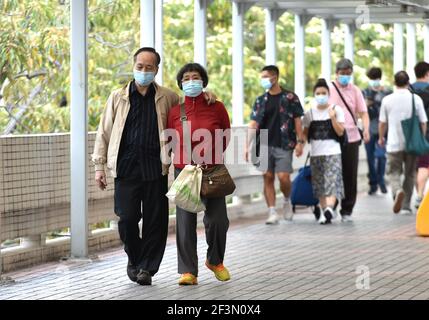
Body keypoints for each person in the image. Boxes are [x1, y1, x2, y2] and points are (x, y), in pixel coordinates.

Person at [91, 48, 216, 286]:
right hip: (125, 168)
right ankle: (135, 259)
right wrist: (99, 165)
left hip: (155, 169)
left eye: (149, 67)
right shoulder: (118, 97)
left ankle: (147, 268)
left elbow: (190, 109)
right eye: (140, 66)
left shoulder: (168, 97)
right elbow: (104, 131)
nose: (144, 71)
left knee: (155, 222)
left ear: (156, 70)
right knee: (127, 219)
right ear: (134, 66)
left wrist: (207, 95)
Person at [167, 63, 231, 286]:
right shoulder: (175, 112)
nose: (191, 81)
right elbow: (169, 140)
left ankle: (215, 261)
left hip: (211, 171)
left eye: (195, 77)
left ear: (203, 82)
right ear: (181, 83)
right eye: (186, 78)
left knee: (218, 220)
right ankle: (188, 272)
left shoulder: (217, 107)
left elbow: (225, 135)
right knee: (185, 223)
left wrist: (211, 157)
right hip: (184, 171)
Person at [245, 65, 304, 225]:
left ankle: (286, 200)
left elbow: (298, 121)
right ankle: (272, 211)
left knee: (284, 177)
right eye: (262, 76)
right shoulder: (260, 100)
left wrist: (300, 142)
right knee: (267, 176)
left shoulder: (291, 97)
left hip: (284, 143)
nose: (263, 80)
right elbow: (253, 123)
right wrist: (246, 146)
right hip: (262, 143)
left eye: (266, 76)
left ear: (275, 77)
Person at [379, 71, 428, 214]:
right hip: (411, 144)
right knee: (410, 173)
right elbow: (423, 122)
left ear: (395, 83)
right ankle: (406, 205)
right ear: (408, 82)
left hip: (393, 143)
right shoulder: (415, 99)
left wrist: (381, 137)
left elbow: (382, 123)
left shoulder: (387, 100)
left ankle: (396, 190)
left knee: (393, 171)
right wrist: (421, 138)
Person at [328, 58, 370, 222]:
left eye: (348, 74)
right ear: (336, 73)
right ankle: (331, 205)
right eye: (342, 74)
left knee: (349, 174)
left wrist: (366, 129)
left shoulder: (355, 90)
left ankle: (347, 209)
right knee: (333, 172)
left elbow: (363, 112)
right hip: (332, 136)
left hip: (351, 137)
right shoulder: (329, 89)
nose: (345, 76)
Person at [302, 79, 345, 224]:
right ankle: (324, 211)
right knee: (319, 184)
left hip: (333, 152)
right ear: (314, 95)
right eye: (318, 93)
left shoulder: (336, 110)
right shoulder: (309, 114)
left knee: (333, 182)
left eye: (324, 93)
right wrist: (300, 145)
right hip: (316, 153)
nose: (321, 95)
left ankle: (329, 209)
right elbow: (304, 132)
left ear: (328, 94)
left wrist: (332, 118)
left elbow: (340, 132)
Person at [362, 67, 392, 195]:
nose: (374, 81)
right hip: (368, 129)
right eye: (371, 79)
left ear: (379, 78)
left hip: (383, 129)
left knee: (381, 157)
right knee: (369, 157)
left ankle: (381, 181)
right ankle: (373, 183)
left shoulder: (387, 92)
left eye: (375, 79)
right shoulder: (364, 92)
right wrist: (365, 105)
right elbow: (359, 111)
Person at [411, 62, 429, 209]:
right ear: (427, 73)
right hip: (426, 134)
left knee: (418, 166)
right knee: (424, 166)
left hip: (410, 134)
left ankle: (419, 195)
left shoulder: (409, 89)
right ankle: (419, 196)